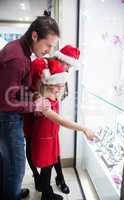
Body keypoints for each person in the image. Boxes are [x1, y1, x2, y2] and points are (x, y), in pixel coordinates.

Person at [0, 11, 60, 200]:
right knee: (17, 168)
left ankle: (12, 192)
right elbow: (5, 102)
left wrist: (34, 95)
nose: (49, 51)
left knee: (8, 164)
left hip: (10, 117)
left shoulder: (21, 51)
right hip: (7, 118)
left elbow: (15, 90)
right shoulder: (17, 58)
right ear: (35, 36)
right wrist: (34, 106)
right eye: (48, 45)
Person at [24, 58, 96, 200]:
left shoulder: (50, 97)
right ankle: (47, 195)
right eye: (58, 86)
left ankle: (47, 192)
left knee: (49, 168)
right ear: (48, 84)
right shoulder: (43, 103)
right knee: (46, 169)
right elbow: (62, 121)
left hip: (51, 138)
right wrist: (84, 128)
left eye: (61, 86)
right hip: (44, 141)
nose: (60, 89)